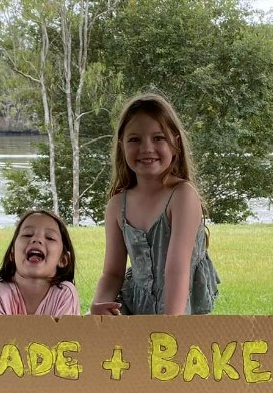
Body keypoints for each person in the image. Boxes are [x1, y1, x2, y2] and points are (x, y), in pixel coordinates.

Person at [91, 93, 218, 316]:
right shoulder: (116, 206)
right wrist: (99, 306)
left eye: (158, 138)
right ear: (121, 146)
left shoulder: (182, 196)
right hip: (134, 310)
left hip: (178, 311)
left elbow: (177, 270)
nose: (146, 148)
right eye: (134, 139)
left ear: (175, 144)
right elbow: (112, 273)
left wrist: (168, 328)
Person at [0, 210, 81, 315]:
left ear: (63, 259)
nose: (37, 239)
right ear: (12, 253)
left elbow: (64, 331)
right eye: (27, 235)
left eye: (50, 237)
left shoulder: (65, 293)